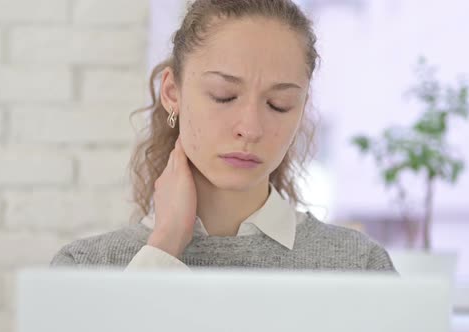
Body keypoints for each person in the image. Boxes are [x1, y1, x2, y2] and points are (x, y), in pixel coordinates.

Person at [50, 0, 396, 272]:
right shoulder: (85, 267)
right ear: (172, 92)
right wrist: (165, 245)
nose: (250, 128)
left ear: (302, 107)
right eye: (223, 96)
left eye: (279, 104)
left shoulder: (358, 265)